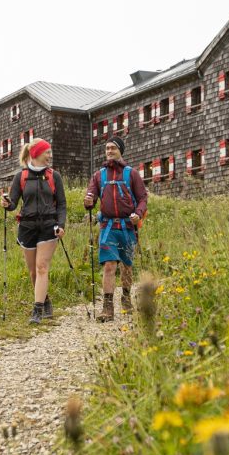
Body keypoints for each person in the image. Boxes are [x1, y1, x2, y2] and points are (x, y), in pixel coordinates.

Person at [2, 138, 66, 325]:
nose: (50, 156)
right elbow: (13, 204)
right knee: (33, 272)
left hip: (49, 226)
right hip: (27, 228)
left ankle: (37, 310)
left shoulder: (55, 176)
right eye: (47, 152)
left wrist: (61, 224)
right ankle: (45, 301)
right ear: (36, 153)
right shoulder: (20, 177)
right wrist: (7, 204)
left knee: (41, 267)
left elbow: (61, 204)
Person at [84, 137, 147, 321]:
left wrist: (138, 213)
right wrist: (88, 202)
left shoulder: (131, 174)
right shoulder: (98, 175)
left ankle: (126, 299)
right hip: (108, 227)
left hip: (127, 227)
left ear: (120, 151)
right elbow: (91, 197)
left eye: (113, 148)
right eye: (107, 148)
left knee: (127, 266)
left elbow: (142, 198)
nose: (109, 151)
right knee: (110, 265)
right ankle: (107, 308)